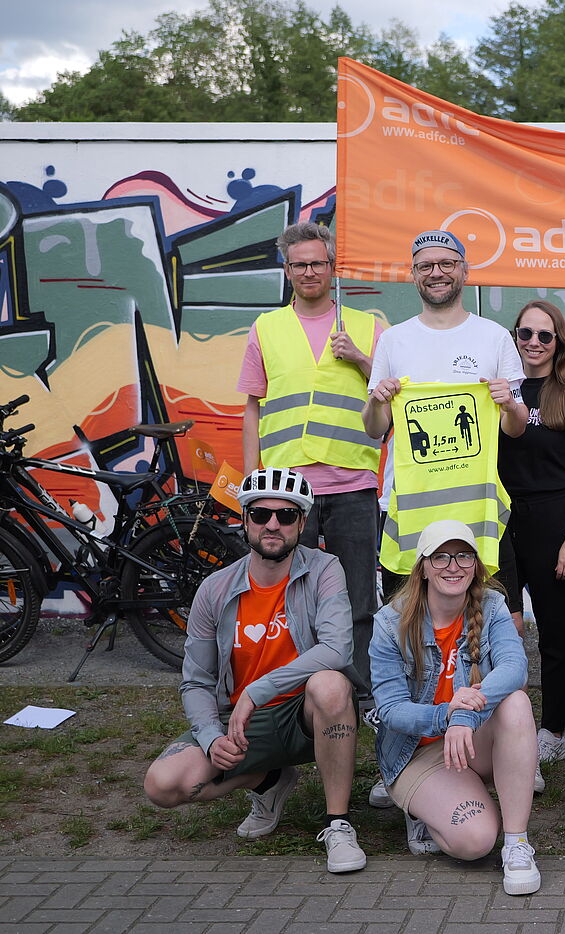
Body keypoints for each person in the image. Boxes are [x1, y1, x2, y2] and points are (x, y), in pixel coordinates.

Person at [143, 468, 367, 874]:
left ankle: (338, 824)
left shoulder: (324, 568)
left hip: (306, 713)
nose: (273, 525)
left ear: (302, 522)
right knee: (163, 785)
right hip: (242, 724)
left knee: (331, 685)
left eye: (286, 515)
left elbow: (337, 648)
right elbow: (196, 680)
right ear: (244, 520)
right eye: (261, 514)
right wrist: (211, 738)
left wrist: (258, 689)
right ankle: (267, 781)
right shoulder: (214, 589)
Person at [238, 221, 384, 687]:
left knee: (358, 599)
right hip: (286, 491)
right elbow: (252, 407)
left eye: (317, 263)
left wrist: (361, 358)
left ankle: (358, 694)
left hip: (353, 486)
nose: (308, 272)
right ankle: (288, 688)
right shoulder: (266, 328)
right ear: (287, 270)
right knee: (286, 599)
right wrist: (250, 481)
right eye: (299, 264)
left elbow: (394, 403)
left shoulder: (368, 328)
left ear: (332, 266)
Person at [369, 519, 541, 896]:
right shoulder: (390, 622)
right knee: (476, 842)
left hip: (470, 737)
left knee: (516, 703)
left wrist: (463, 715)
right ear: (424, 568)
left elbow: (515, 668)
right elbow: (392, 709)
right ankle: (420, 810)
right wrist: (446, 713)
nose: (453, 566)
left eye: (464, 556)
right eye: (441, 557)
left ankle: (517, 843)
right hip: (416, 753)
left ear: (476, 565)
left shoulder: (492, 605)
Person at [363, 230, 527, 606]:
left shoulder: (494, 337)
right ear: (413, 274)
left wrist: (510, 406)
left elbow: (514, 429)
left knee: (483, 627)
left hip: (477, 508)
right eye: (425, 266)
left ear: (464, 271)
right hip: (407, 505)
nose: (436, 272)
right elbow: (374, 429)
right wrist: (377, 402)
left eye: (446, 263)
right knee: (405, 625)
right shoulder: (393, 340)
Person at [497, 299, 565, 773]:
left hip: (556, 517)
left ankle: (555, 731)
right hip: (501, 518)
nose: (534, 344)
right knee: (504, 626)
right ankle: (500, 724)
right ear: (514, 337)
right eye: (526, 334)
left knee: (557, 631)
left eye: (545, 336)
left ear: (559, 340)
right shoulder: (497, 386)